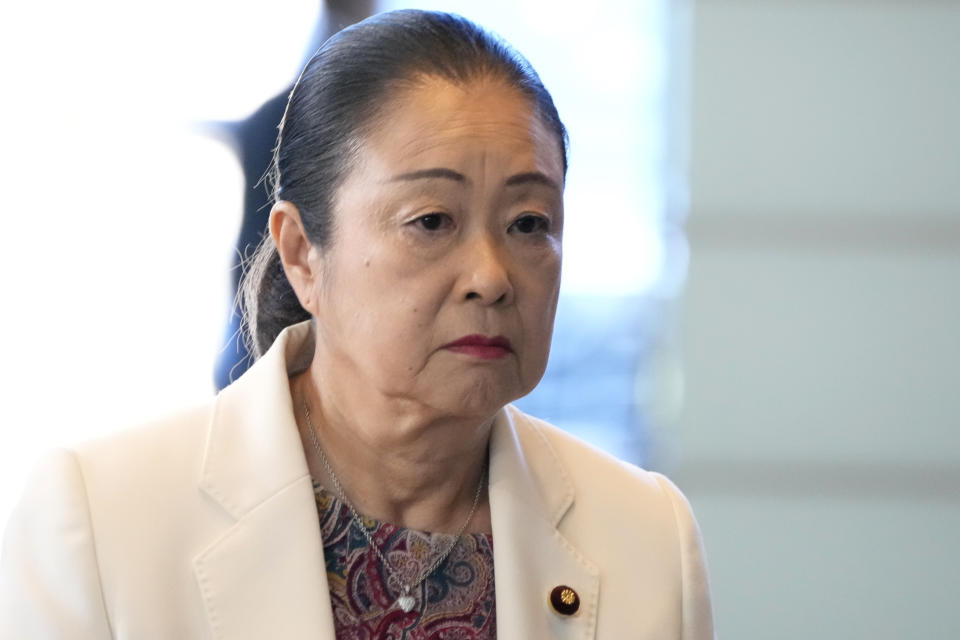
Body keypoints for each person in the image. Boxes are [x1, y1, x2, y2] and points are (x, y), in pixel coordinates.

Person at [0, 10, 714, 639]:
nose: (492, 277)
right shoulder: (100, 517)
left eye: (530, 223)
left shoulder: (646, 536)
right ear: (302, 253)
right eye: (431, 220)